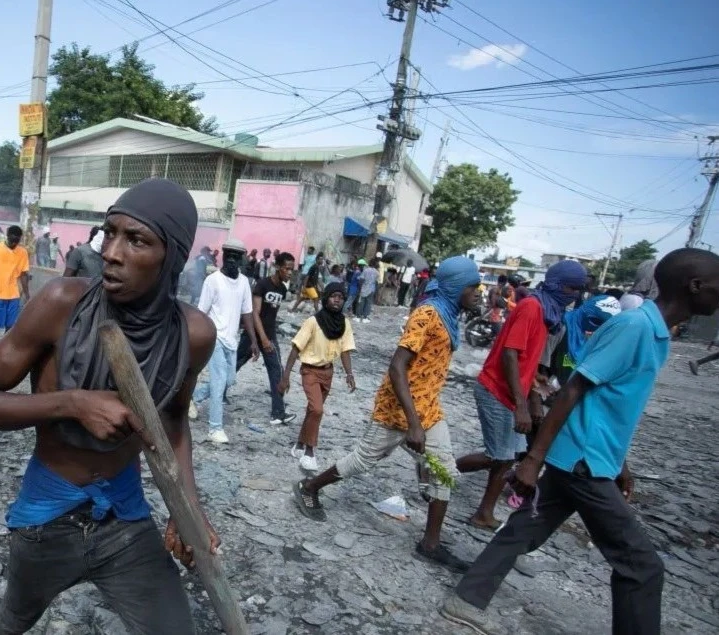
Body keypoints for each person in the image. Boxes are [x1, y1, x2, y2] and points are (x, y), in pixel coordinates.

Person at [0, 178, 218, 635]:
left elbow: (173, 420)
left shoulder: (193, 335)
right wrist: (71, 403)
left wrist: (187, 510)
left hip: (124, 514)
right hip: (46, 517)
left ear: (173, 256)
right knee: (12, 621)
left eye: (136, 240)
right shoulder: (62, 303)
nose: (112, 252)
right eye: (110, 232)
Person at [443, 248, 719, 634]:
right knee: (641, 566)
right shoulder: (635, 327)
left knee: (526, 529)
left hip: (589, 456)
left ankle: (466, 598)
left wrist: (620, 463)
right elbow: (573, 390)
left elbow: (610, 405)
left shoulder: (655, 333)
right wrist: (533, 459)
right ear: (696, 286)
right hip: (582, 462)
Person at [294, 257, 481, 574]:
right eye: (473, 287)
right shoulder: (426, 315)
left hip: (429, 409)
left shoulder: (449, 316)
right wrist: (413, 424)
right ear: (455, 286)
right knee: (363, 459)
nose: (478, 293)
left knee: (444, 470)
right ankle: (309, 487)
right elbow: (397, 367)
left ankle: (430, 545)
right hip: (399, 408)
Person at [456, 260, 587, 530]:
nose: (574, 295)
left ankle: (484, 512)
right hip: (496, 389)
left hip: (511, 392)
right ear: (557, 284)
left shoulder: (549, 314)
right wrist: (521, 405)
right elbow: (510, 353)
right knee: (499, 455)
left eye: (578, 290)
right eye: (571, 288)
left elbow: (528, 361)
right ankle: (440, 469)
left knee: (509, 455)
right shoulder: (532, 307)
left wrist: (535, 392)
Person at [279, 282, 356, 471]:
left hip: (327, 372)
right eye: (333, 296)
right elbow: (296, 347)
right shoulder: (313, 322)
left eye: (340, 297)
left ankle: (299, 444)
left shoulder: (344, 323)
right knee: (318, 410)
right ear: (325, 298)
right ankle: (309, 452)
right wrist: (285, 376)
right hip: (310, 371)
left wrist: (349, 373)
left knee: (313, 411)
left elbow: (345, 350)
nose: (337, 300)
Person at [190, 238, 259, 444]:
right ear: (223, 257)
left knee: (229, 381)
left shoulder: (244, 282)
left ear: (241, 260)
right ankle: (215, 429)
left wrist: (253, 341)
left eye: (236, 257)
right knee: (219, 384)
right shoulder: (212, 281)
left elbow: (247, 313)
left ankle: (193, 396)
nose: (232, 260)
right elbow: (201, 312)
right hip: (215, 338)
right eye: (228, 256)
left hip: (232, 340)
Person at [237, 251, 296, 425]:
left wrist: (268, 338)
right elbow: (255, 314)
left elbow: (272, 315)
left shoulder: (283, 289)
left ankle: (278, 413)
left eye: (292, 269)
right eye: (287, 269)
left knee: (276, 370)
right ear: (278, 267)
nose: (290, 272)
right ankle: (207, 395)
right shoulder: (262, 285)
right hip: (253, 336)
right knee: (234, 365)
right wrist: (262, 339)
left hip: (270, 336)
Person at [0, 225, 30, 341]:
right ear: (7, 235)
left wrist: (27, 295)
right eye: (12, 239)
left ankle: (3, 349)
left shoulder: (23, 252)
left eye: (17, 240)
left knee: (11, 326)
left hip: (14, 294)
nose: (14, 243)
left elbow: (24, 274)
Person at [356, 258, 379, 322]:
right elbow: (376, 283)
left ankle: (358, 317)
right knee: (368, 304)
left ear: (369, 263)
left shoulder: (365, 270)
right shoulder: (377, 272)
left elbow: (361, 280)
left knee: (361, 303)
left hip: (364, 289)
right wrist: (376, 292)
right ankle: (365, 317)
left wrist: (360, 288)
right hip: (372, 289)